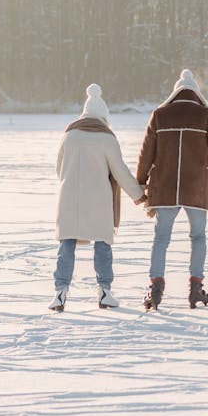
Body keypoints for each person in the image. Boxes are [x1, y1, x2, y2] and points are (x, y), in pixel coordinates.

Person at [136, 68, 208, 310]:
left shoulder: (159, 115)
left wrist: (140, 184)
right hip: (196, 188)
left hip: (165, 188)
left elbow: (146, 152)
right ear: (196, 93)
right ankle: (195, 289)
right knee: (198, 237)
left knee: (161, 239)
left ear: (175, 92)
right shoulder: (206, 115)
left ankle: (155, 289)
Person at [49, 84, 145, 311]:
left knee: (67, 245)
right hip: (100, 200)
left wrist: (71, 183)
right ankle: (104, 292)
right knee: (102, 245)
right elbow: (120, 171)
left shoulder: (69, 135)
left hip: (69, 197)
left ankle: (60, 293)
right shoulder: (106, 137)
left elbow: (59, 169)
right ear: (104, 116)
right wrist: (138, 194)